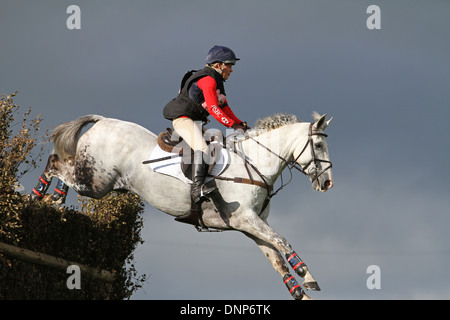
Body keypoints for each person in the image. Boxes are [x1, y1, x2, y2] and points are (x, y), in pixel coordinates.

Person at [163, 45, 249, 204]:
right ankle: (198, 189)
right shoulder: (208, 80)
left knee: (219, 143)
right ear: (219, 65)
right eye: (229, 65)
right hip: (182, 120)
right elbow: (214, 109)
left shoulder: (217, 81)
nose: (231, 70)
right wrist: (232, 125)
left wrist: (240, 124)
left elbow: (225, 107)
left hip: (194, 121)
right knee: (202, 148)